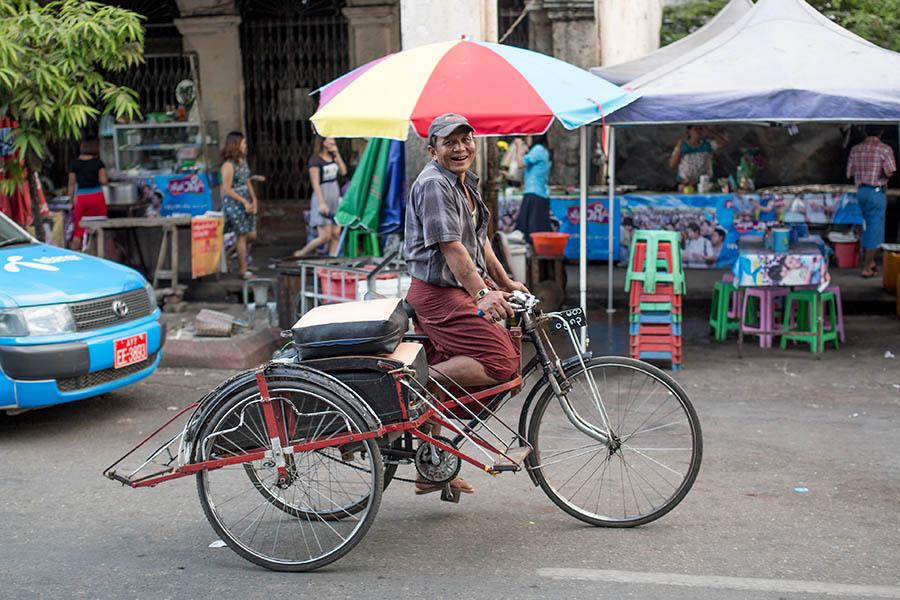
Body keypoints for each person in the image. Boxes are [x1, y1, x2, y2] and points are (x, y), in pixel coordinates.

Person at [404, 113, 528, 496]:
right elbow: (451, 247)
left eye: (465, 140)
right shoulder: (434, 185)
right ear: (432, 149)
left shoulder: (462, 182)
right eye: (449, 142)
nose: (460, 148)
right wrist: (482, 294)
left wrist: (505, 283)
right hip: (439, 294)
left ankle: (432, 465)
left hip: (455, 288)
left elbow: (479, 240)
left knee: (493, 362)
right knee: (501, 363)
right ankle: (413, 384)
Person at [846, 125, 896, 277]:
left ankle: (869, 262)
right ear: (881, 131)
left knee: (862, 226)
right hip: (875, 193)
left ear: (865, 132)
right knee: (874, 229)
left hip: (860, 192)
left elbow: (849, 173)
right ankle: (867, 267)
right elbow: (890, 171)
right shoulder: (885, 149)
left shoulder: (855, 149)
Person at [293, 136, 346, 258]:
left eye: (333, 139)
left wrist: (337, 153)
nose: (332, 142)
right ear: (322, 142)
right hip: (322, 196)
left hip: (334, 195)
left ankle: (333, 259)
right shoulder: (315, 160)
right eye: (329, 139)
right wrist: (322, 203)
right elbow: (315, 184)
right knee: (325, 236)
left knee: (336, 233)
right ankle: (303, 252)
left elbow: (343, 172)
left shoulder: (333, 157)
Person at [220, 131, 260, 280]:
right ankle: (243, 270)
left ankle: (229, 254)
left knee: (251, 234)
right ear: (236, 145)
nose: (245, 146)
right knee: (242, 235)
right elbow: (227, 188)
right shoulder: (228, 166)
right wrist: (243, 202)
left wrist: (254, 199)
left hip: (246, 201)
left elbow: (247, 181)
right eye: (243, 143)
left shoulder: (242, 162)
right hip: (234, 203)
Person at [67, 137, 108, 251]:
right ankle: (99, 254)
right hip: (97, 198)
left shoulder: (74, 163)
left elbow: (71, 183)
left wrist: (71, 201)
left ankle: (76, 256)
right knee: (99, 228)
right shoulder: (98, 163)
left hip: (82, 198)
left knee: (78, 230)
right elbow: (103, 181)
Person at [514, 134, 552, 242]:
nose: (526, 138)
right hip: (538, 193)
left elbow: (520, 164)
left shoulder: (538, 149)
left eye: (529, 136)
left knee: (532, 231)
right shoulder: (541, 150)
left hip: (534, 193)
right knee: (536, 230)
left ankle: (536, 256)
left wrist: (518, 146)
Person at [669, 125, 727, 193]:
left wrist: (711, 132)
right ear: (689, 131)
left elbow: (724, 143)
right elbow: (672, 164)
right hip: (685, 184)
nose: (698, 131)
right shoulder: (682, 146)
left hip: (704, 184)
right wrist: (678, 148)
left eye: (700, 129)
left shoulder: (707, 145)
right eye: (695, 129)